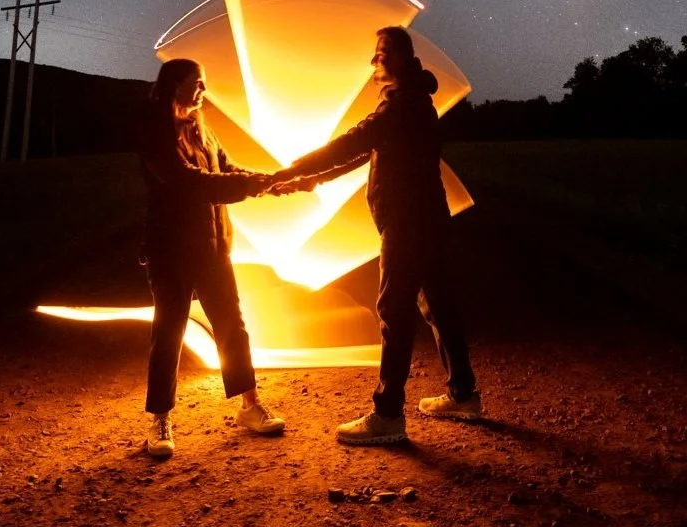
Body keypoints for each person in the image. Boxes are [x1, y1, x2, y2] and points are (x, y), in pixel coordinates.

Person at [269, 26, 480, 446]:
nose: (373, 62)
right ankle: (463, 395)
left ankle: (387, 415)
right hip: (427, 219)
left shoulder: (401, 105)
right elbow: (370, 152)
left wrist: (292, 168)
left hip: (407, 222)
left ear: (399, 59)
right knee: (438, 305)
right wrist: (310, 181)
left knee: (394, 310)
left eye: (380, 54)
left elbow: (354, 140)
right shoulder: (412, 102)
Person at [137, 57, 284, 458]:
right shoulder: (155, 130)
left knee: (231, 325)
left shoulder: (204, 127)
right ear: (174, 84)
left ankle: (250, 406)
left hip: (214, 247)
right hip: (171, 250)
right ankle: (160, 419)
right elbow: (190, 182)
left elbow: (226, 168)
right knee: (168, 330)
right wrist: (251, 185)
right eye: (196, 82)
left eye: (203, 82)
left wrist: (269, 181)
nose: (203, 89)